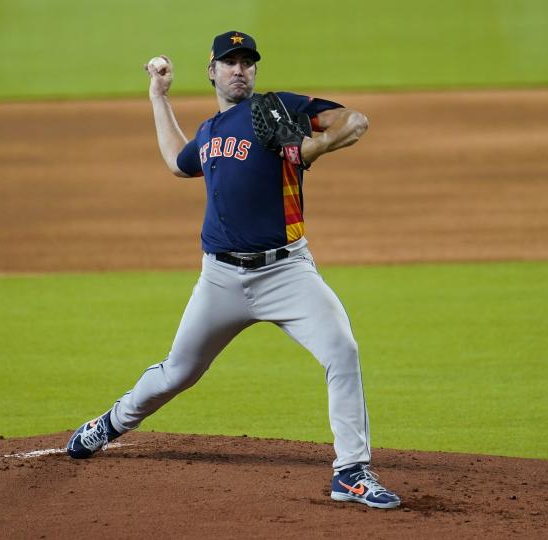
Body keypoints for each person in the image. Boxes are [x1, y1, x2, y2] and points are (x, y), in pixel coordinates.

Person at [67, 30, 401, 510]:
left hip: (287, 273)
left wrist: (310, 148)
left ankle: (350, 471)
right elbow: (177, 164)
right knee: (178, 372)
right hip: (220, 280)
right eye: (230, 62)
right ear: (212, 71)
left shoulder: (278, 107)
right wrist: (158, 97)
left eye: (247, 62)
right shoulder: (207, 133)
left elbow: (356, 121)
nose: (239, 69)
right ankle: (111, 423)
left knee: (341, 350)